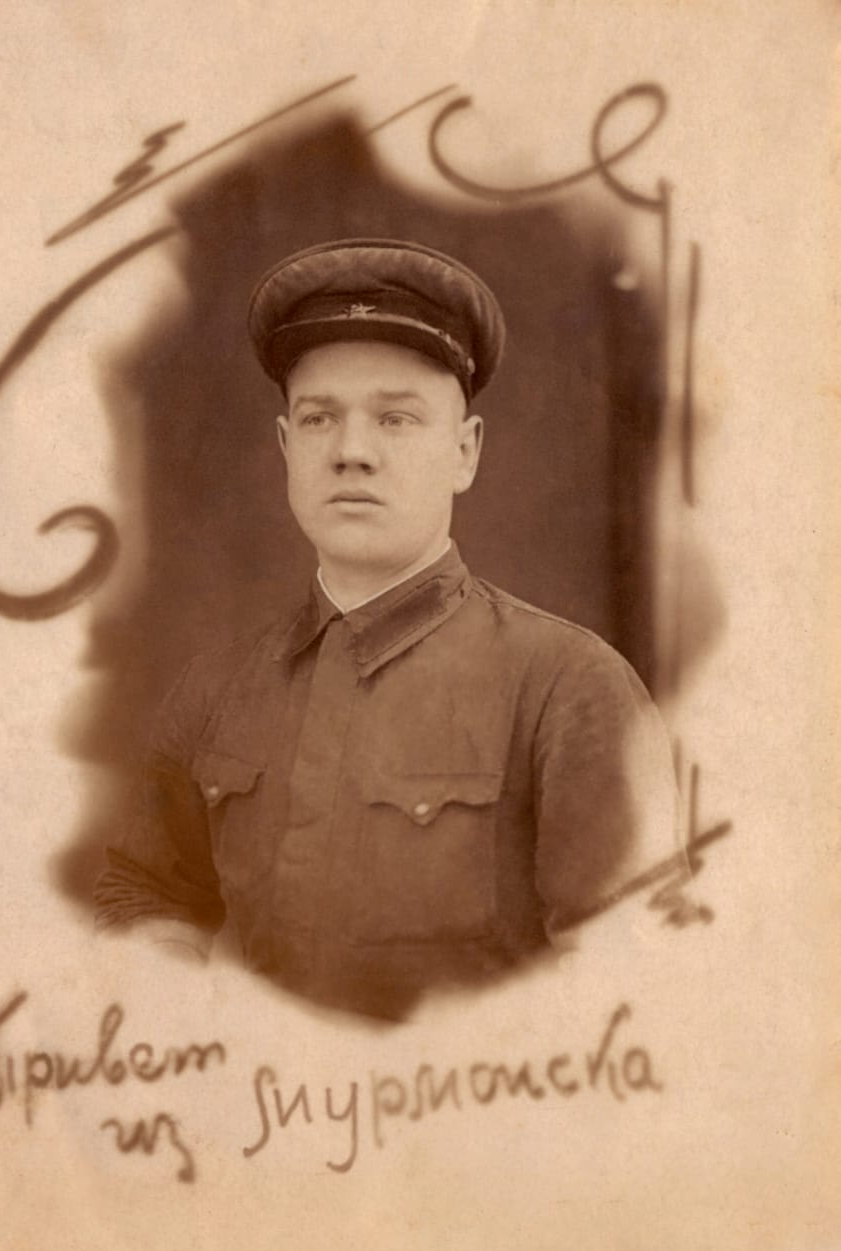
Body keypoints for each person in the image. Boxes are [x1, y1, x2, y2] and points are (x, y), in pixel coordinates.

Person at [95, 238, 682, 1019]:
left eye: (396, 418)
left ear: (464, 452)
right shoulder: (218, 687)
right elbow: (144, 891)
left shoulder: (572, 688)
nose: (352, 453)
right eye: (319, 418)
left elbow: (635, 997)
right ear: (286, 446)